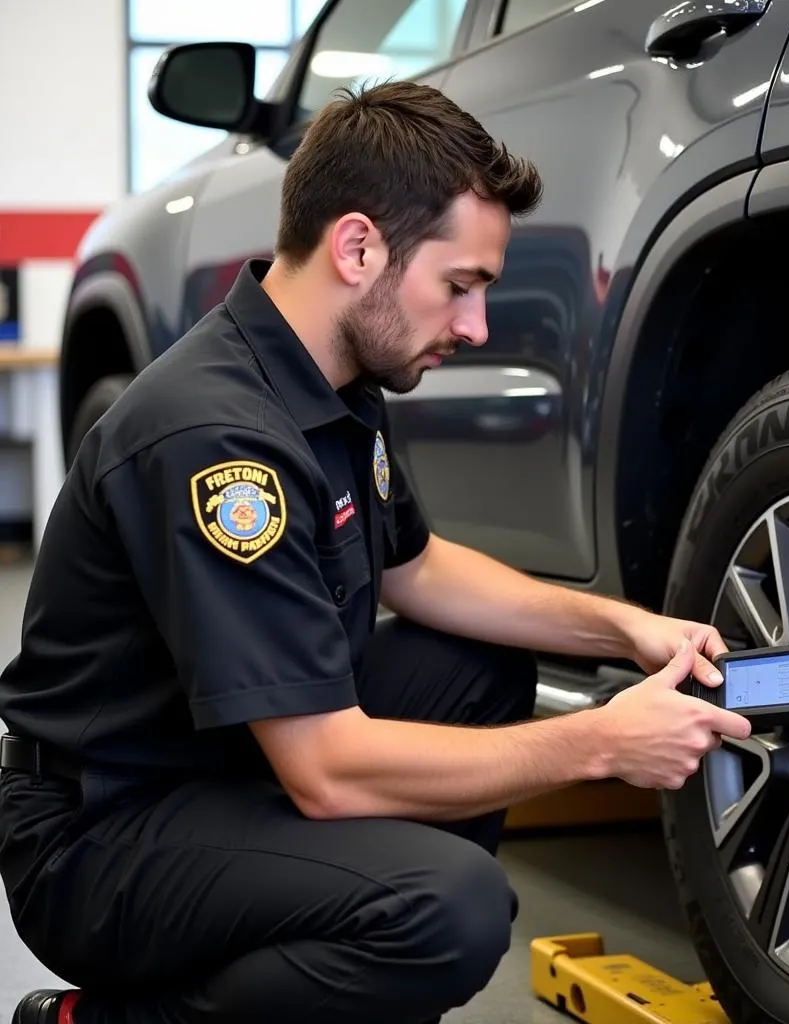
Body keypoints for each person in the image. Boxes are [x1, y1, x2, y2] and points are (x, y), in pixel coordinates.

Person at [0, 81, 751, 1024]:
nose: (475, 327)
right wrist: (600, 744)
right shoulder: (217, 439)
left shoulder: (334, 374)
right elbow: (325, 768)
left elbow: (420, 568)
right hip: (102, 829)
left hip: (223, 757)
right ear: (358, 247)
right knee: (450, 910)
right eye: (461, 287)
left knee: (474, 667)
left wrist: (622, 628)